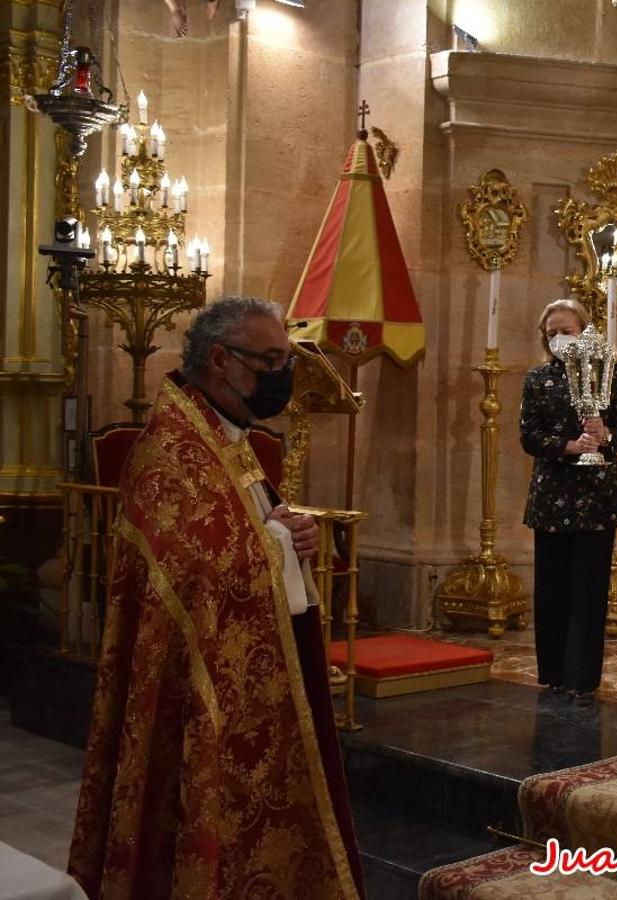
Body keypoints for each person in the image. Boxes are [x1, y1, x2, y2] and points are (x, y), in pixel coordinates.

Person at [68, 297, 363, 899]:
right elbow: (198, 568)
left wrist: (290, 530)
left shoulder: (224, 434)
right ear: (222, 360)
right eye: (272, 359)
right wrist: (276, 541)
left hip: (251, 679)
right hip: (198, 686)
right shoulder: (169, 454)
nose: (283, 375)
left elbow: (250, 525)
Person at [520, 298, 617, 706]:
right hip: (552, 497)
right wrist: (568, 445)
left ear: (584, 331)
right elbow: (529, 437)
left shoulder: (610, 374)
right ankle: (552, 673)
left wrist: (604, 434)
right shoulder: (539, 379)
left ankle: (583, 678)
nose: (558, 339)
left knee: (589, 593)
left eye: (565, 331)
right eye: (551, 333)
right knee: (551, 590)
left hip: (596, 498)